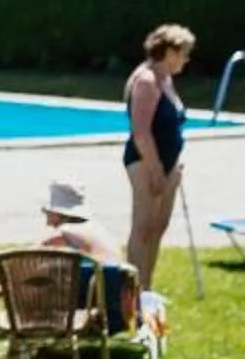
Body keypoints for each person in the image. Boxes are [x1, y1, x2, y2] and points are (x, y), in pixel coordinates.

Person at [123, 23, 196, 294]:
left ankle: (147, 288)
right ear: (169, 51)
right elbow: (141, 131)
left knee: (158, 226)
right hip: (145, 162)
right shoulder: (146, 80)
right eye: (184, 53)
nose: (187, 60)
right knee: (142, 226)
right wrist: (155, 169)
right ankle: (132, 292)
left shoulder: (166, 79)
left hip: (169, 162)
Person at [35, 179, 126, 264]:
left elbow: (31, 256)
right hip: (117, 278)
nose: (48, 223)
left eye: (48, 213)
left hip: (98, 278)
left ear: (58, 214)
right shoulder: (100, 231)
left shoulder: (65, 231)